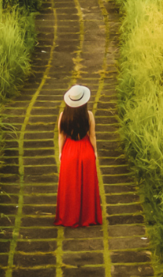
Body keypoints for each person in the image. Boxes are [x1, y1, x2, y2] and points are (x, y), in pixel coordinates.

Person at [55, 84, 104, 227]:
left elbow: (61, 136)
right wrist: (94, 151)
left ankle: (69, 216)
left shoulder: (63, 116)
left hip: (69, 150)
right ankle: (87, 216)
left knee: (69, 185)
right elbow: (93, 136)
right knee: (87, 184)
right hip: (85, 150)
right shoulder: (89, 115)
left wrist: (60, 152)